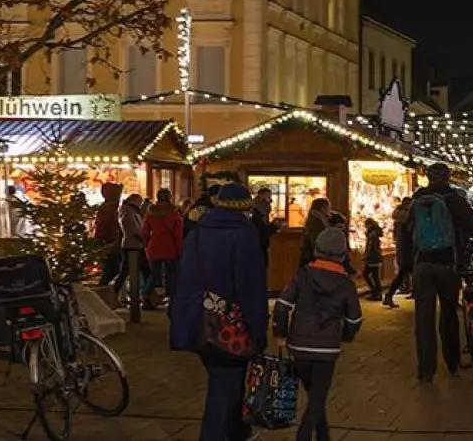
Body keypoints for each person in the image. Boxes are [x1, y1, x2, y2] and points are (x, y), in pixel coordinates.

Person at [172, 183, 269, 441]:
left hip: (196, 320)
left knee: (226, 380)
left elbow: (183, 279)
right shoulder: (244, 236)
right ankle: (216, 434)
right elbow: (250, 288)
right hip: (229, 325)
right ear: (245, 208)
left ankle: (236, 430)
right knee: (224, 384)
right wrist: (258, 330)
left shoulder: (197, 233)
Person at [408, 163, 473, 381]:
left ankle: (426, 370)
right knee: (449, 312)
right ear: (447, 178)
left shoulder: (416, 201)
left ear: (428, 178)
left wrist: (408, 264)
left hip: (422, 265)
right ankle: (452, 361)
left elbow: (407, 232)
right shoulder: (454, 200)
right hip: (448, 264)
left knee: (424, 318)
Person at [274, 227, 363, 441]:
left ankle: (324, 434)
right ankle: (303, 435)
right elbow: (354, 319)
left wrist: (281, 334)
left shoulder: (303, 276)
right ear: (343, 255)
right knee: (317, 398)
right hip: (327, 348)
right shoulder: (345, 284)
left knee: (314, 394)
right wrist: (346, 336)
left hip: (299, 345)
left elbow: (282, 305)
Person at [142, 188, 185, 309]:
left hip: (154, 247)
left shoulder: (151, 213)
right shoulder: (174, 213)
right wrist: (180, 250)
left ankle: (146, 295)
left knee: (153, 274)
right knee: (171, 274)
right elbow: (178, 234)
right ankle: (172, 298)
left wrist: (146, 244)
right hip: (169, 247)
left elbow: (145, 232)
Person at [382, 197, 414, 308]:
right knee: (404, 273)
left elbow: (397, 236)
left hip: (402, 250)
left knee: (403, 274)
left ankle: (390, 296)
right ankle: (389, 296)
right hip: (408, 251)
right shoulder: (408, 219)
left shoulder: (399, 220)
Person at [114, 193, 147, 304]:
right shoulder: (128, 212)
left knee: (135, 271)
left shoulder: (130, 211)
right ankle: (117, 293)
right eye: (139, 201)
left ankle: (144, 295)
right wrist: (143, 239)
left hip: (134, 244)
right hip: (132, 245)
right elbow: (134, 230)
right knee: (127, 271)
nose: (140, 204)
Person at [94, 183, 124, 285]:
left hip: (111, 240)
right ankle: (102, 286)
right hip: (110, 240)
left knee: (113, 267)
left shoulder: (110, 207)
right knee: (112, 267)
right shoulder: (109, 208)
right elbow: (104, 225)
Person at [300, 198, 331, 271]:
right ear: (322, 208)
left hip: (308, 257)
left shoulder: (314, 219)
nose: (330, 210)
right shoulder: (318, 222)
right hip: (313, 259)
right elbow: (316, 241)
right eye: (328, 207)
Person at [362, 217, 385, 300]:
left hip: (372, 258)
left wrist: (366, 256)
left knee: (366, 274)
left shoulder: (372, 234)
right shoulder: (375, 233)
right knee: (375, 276)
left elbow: (370, 246)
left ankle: (375, 292)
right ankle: (378, 293)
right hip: (376, 257)